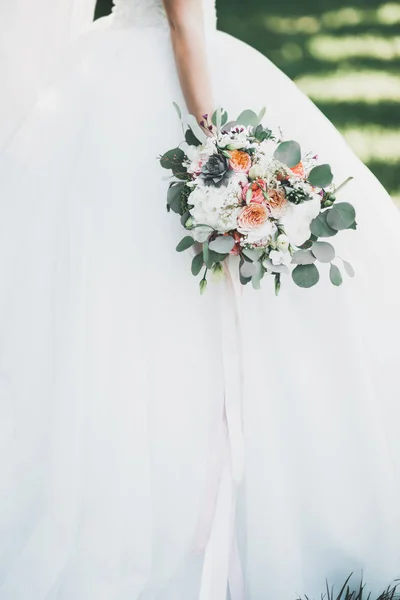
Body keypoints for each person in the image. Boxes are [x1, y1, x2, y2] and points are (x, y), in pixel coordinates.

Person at [0, 1, 399, 599]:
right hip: (176, 86)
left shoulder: (81, 75)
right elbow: (185, 29)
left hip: (122, 73)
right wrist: (226, 166)